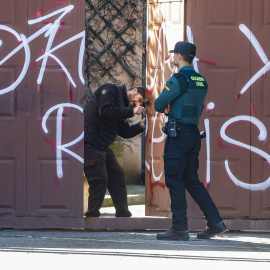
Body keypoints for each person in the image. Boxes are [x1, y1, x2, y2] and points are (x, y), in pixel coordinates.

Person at [154, 41, 227, 240]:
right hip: (193, 134)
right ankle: (215, 222)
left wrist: (168, 104)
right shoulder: (201, 80)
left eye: (173, 55)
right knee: (192, 181)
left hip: (178, 136)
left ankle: (179, 229)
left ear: (178, 56)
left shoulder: (178, 79)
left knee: (175, 181)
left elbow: (159, 104)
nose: (172, 58)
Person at [84, 83, 146, 218]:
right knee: (99, 179)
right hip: (89, 143)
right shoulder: (110, 90)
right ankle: (92, 217)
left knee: (117, 176)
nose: (136, 104)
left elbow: (123, 131)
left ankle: (123, 214)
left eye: (139, 104)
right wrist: (132, 112)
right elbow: (106, 110)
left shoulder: (122, 107)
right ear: (134, 90)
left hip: (102, 146)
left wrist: (140, 126)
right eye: (139, 100)